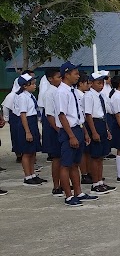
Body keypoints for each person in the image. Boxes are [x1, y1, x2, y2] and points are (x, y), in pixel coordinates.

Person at [55, 62, 96, 206]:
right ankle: (68, 195)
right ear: (66, 75)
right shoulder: (62, 92)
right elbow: (62, 115)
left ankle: (78, 192)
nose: (78, 76)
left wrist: (84, 132)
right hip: (69, 131)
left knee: (75, 164)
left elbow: (78, 115)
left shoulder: (72, 91)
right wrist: (71, 135)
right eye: (75, 73)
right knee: (66, 164)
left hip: (77, 128)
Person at [84, 72, 115, 194]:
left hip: (101, 123)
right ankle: (95, 183)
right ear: (91, 83)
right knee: (95, 156)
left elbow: (103, 114)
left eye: (102, 83)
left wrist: (106, 129)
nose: (101, 85)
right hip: (94, 124)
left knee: (101, 156)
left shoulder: (100, 96)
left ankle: (100, 181)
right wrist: (94, 132)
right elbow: (88, 115)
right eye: (98, 83)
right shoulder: (89, 96)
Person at [12, 74, 46, 186]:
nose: (35, 86)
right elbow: (23, 115)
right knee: (26, 152)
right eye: (32, 84)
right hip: (26, 124)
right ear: (25, 86)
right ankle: (27, 176)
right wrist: (27, 131)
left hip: (32, 123)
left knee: (32, 151)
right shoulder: (22, 97)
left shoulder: (31, 96)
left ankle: (33, 174)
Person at [41, 67, 63, 195]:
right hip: (54, 128)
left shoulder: (59, 91)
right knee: (56, 157)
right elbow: (50, 115)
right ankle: (56, 186)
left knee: (62, 157)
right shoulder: (50, 93)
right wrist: (58, 130)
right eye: (58, 77)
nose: (60, 79)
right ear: (50, 79)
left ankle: (63, 183)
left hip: (59, 127)